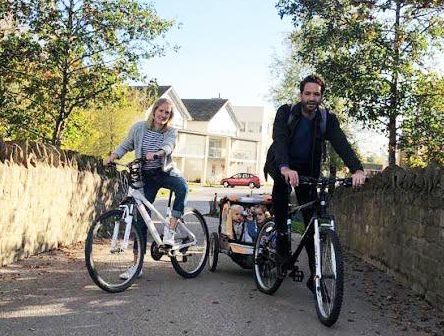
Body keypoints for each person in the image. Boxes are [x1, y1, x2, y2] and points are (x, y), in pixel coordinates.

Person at [264, 75, 365, 293]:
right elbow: (279, 139)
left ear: (321, 96)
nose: (312, 97)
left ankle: (315, 277)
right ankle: (281, 244)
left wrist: (357, 169)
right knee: (281, 196)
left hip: (308, 170)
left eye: (316, 94)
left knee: (313, 220)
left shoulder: (326, 118)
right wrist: (284, 168)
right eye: (308, 93)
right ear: (301, 95)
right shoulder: (286, 112)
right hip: (282, 164)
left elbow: (341, 143)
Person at [106, 97, 188, 279]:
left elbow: (169, 145)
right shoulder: (139, 128)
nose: (163, 115)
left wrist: (158, 153)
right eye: (161, 111)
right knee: (141, 219)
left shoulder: (170, 131)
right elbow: (127, 144)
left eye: (167, 113)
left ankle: (171, 231)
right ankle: (137, 266)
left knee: (182, 188)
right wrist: (114, 155)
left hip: (163, 172)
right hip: (146, 177)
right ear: (154, 110)